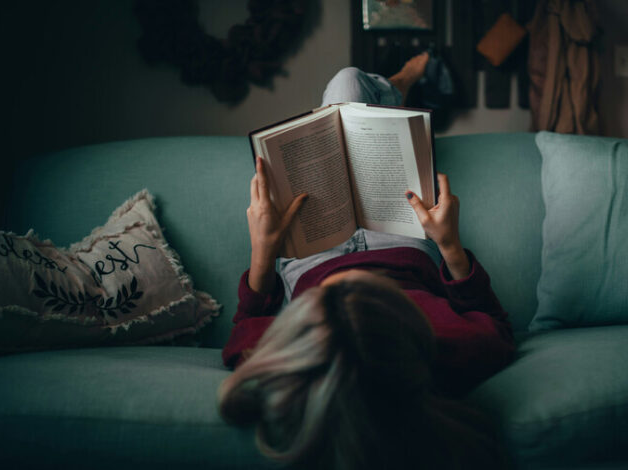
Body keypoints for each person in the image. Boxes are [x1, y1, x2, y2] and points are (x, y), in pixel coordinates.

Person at [218, 53, 516, 470]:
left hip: (313, 257)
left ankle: (394, 88)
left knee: (343, 97)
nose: (352, 285)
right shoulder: (451, 350)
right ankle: (398, 85)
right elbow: (494, 320)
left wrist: (263, 251)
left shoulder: (290, 365)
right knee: (350, 91)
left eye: (329, 305)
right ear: (401, 332)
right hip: (400, 246)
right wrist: (450, 246)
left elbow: (242, 333)